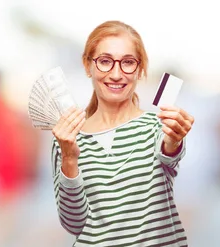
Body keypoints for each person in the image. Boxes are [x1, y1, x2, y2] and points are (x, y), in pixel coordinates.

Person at [50, 20, 195, 246]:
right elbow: (74, 224)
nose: (116, 74)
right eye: (105, 61)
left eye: (128, 62)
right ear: (87, 65)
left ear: (140, 69)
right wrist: (69, 158)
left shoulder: (157, 127)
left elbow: (169, 150)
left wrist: (174, 138)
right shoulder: (67, 137)